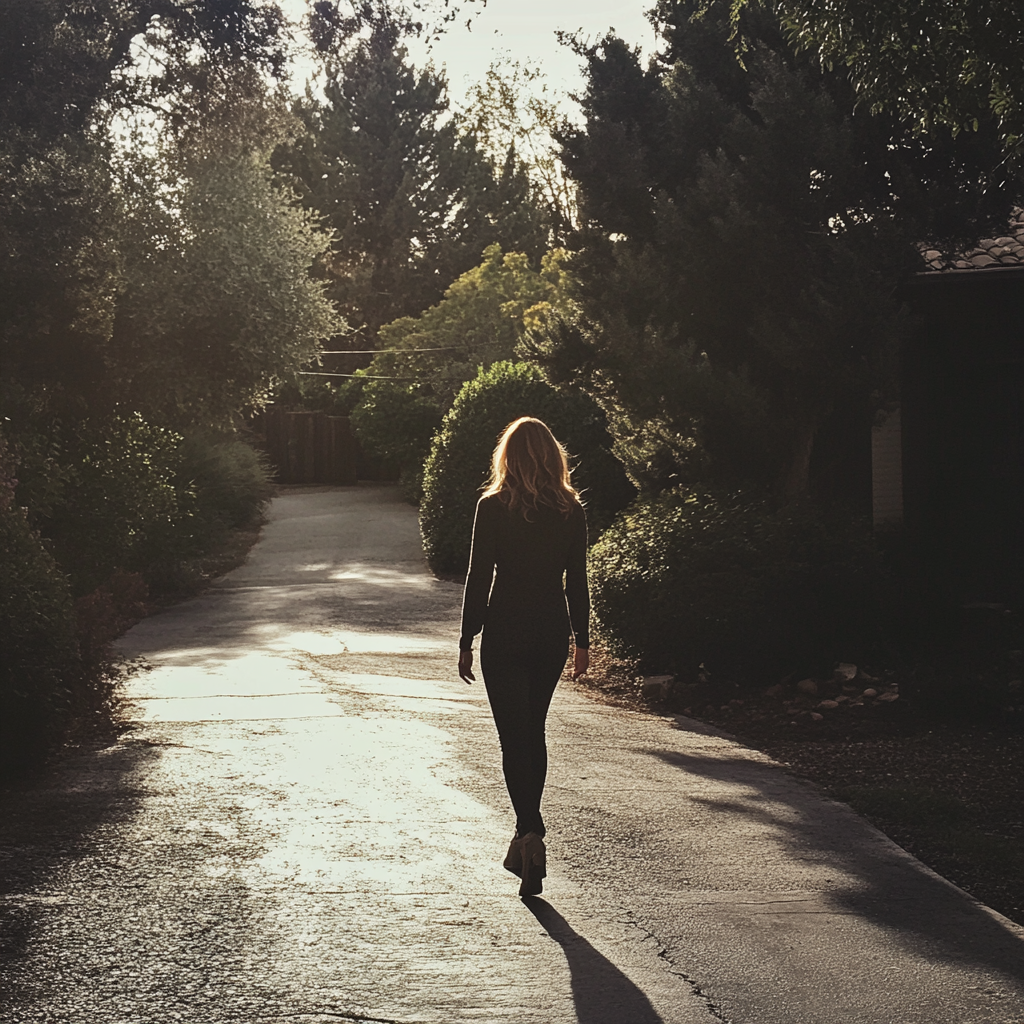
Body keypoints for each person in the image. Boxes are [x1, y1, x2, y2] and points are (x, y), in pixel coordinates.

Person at [458, 416, 590, 897]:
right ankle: (528, 835)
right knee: (533, 730)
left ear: (506, 458)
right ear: (554, 458)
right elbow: (577, 579)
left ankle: (529, 831)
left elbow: (479, 578)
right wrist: (583, 640)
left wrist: (466, 639)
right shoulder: (570, 510)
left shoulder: (491, 507)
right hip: (550, 633)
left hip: (506, 632)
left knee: (513, 737)